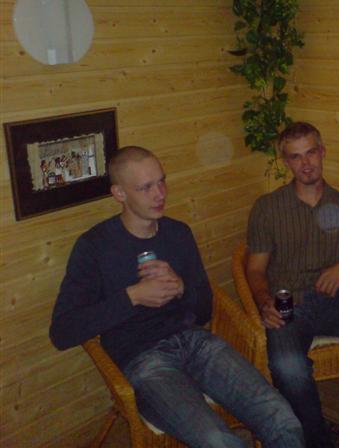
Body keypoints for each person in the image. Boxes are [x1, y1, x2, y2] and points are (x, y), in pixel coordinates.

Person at [50, 146, 304, 448]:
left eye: (162, 181)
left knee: (282, 417)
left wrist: (182, 287)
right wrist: (132, 296)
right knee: (217, 440)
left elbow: (204, 311)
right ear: (119, 193)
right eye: (145, 187)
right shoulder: (95, 247)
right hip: (142, 359)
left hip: (196, 343)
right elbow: (63, 332)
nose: (160, 194)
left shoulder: (178, 233)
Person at [246, 122, 339, 447]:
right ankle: (318, 441)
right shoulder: (267, 207)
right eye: (296, 156)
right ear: (286, 162)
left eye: (311, 153)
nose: (306, 163)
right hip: (290, 309)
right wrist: (263, 301)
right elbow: (255, 269)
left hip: (337, 302)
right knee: (288, 367)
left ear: (322, 152)